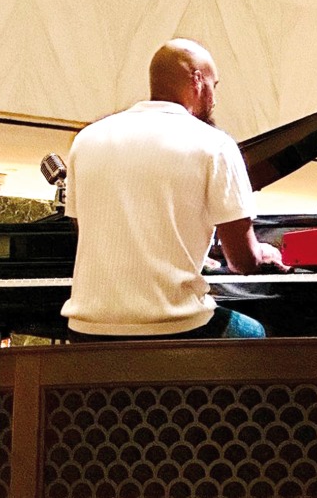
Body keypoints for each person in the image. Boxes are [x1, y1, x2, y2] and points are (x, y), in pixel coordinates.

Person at [62, 39, 285, 340]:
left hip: (86, 328)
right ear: (197, 80)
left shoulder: (87, 139)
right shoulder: (215, 144)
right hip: (177, 328)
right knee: (255, 333)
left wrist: (181, 253)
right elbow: (242, 262)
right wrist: (262, 252)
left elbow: (87, 226)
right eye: (214, 85)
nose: (214, 98)